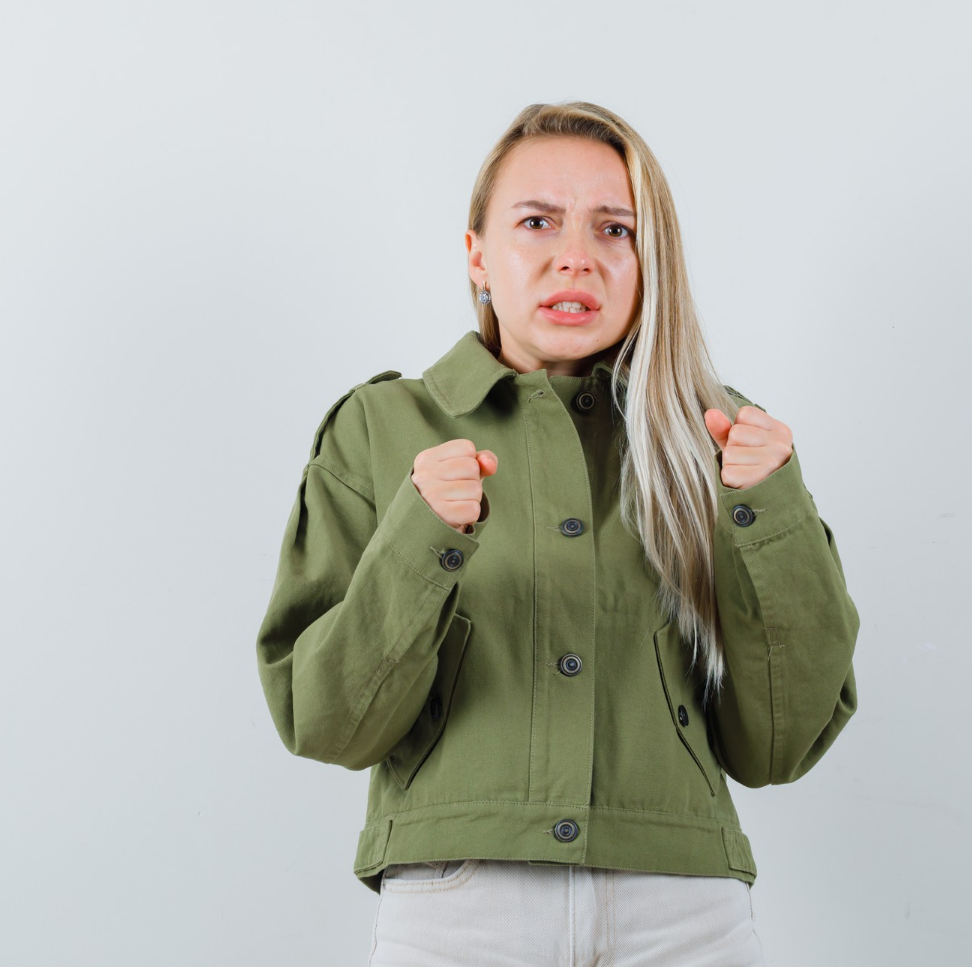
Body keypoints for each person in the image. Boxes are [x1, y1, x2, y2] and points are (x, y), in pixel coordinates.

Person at [254, 101, 860, 966]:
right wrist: (422, 537)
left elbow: (780, 744)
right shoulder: (381, 428)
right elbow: (326, 724)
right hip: (461, 902)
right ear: (478, 255)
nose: (576, 255)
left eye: (615, 229)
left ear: (650, 262)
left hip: (681, 904)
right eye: (537, 221)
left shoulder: (724, 438)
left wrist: (769, 510)